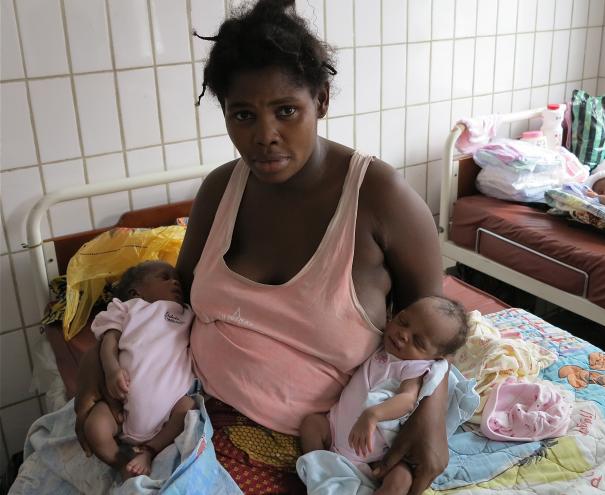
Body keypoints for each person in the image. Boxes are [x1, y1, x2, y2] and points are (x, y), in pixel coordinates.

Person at [74, 1, 448, 493]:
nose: (265, 136)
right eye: (243, 115)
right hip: (192, 414)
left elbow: (439, 331)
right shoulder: (218, 192)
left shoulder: (382, 199)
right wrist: (97, 364)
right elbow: (174, 300)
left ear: (322, 99)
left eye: (286, 111)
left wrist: (431, 417)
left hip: (329, 436)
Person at [299, 296, 468, 495]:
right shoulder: (381, 344)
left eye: (418, 341)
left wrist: (373, 415)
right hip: (334, 431)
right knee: (311, 424)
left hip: (376, 456)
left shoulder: (415, 367)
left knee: (402, 478)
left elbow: (407, 399)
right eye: (403, 322)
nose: (403, 335)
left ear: (437, 357)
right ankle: (318, 469)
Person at [82, 261, 196, 479]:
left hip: (169, 411)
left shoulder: (187, 312)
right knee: (94, 428)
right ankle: (120, 463)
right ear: (136, 292)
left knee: (188, 407)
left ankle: (149, 451)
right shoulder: (128, 308)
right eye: (164, 277)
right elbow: (109, 342)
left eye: (176, 279)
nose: (175, 281)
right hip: (120, 408)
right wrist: (112, 370)